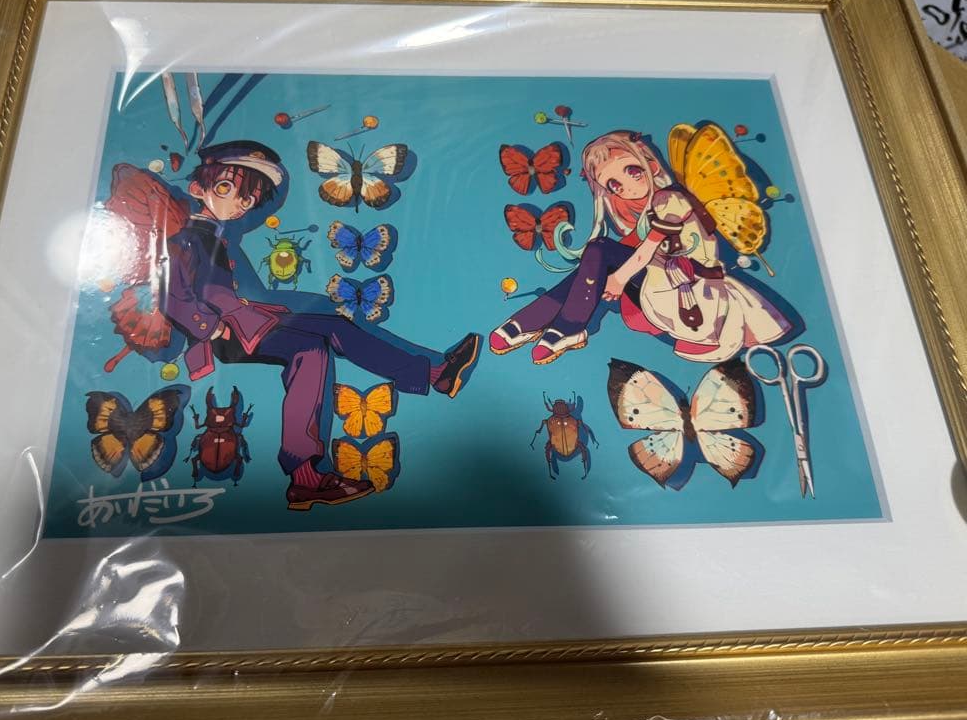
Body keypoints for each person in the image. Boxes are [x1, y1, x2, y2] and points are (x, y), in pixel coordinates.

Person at [162, 141, 481, 510]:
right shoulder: (187, 238)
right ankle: (304, 476)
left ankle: (435, 375)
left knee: (335, 327)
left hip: (249, 321)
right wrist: (211, 328)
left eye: (249, 198)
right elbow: (173, 296)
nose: (240, 203)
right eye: (226, 188)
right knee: (309, 350)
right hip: (229, 334)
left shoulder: (214, 236)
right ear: (197, 188)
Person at [490, 130, 790, 364]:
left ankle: (558, 325)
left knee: (600, 250)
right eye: (614, 186)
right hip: (668, 285)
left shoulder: (671, 199)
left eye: (632, 171)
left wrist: (620, 279)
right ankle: (545, 323)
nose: (628, 187)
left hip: (693, 295)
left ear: (651, 164)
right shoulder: (650, 211)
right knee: (595, 258)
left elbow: (649, 249)